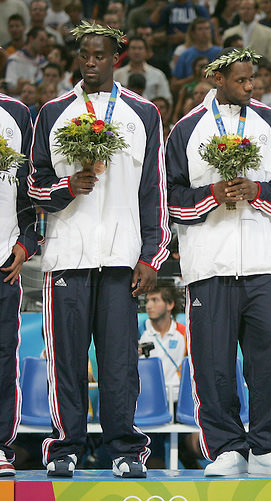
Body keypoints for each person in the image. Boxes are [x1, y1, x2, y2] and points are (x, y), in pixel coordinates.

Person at [27, 22, 169, 478]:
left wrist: (152, 255)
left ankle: (125, 450)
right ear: (77, 57)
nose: (91, 63)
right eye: (84, 55)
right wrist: (68, 187)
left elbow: (155, 191)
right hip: (67, 253)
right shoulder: (52, 112)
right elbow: (35, 185)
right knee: (66, 359)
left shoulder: (143, 113)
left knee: (120, 362)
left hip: (122, 257)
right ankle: (65, 447)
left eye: (100, 55)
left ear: (116, 58)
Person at [165, 47, 271, 477]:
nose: (251, 86)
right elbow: (170, 197)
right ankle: (226, 447)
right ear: (218, 79)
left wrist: (258, 191)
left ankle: (269, 448)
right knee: (213, 362)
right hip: (208, 264)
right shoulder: (187, 130)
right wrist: (213, 195)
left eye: (253, 80)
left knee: (270, 358)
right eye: (242, 80)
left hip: (264, 263)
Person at [0, 91, 37, 477]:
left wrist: (27, 242)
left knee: (1, 358)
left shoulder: (16, 114)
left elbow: (31, 188)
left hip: (3, 264)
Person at [139, 284, 186, 387]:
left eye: (155, 300)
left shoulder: (184, 333)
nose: (148, 306)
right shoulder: (139, 331)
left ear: (170, 304)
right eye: (147, 301)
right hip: (147, 396)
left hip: (177, 397)